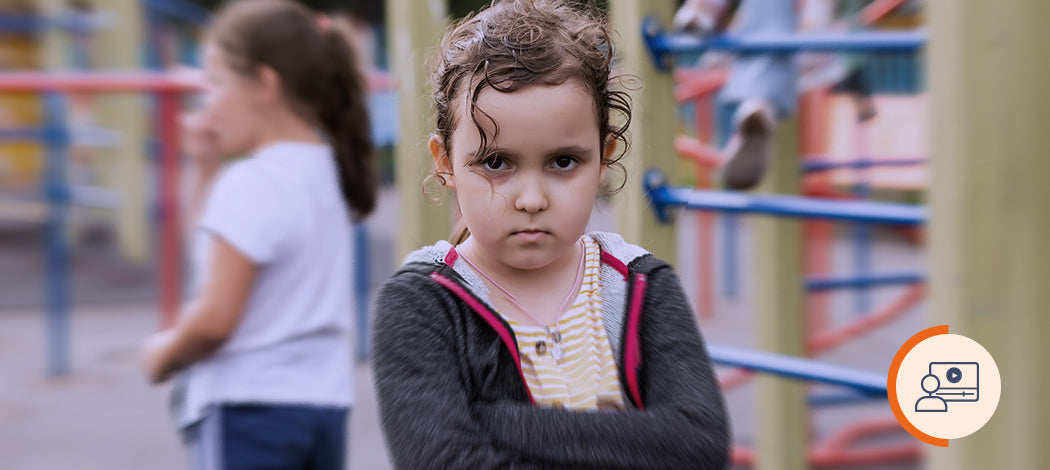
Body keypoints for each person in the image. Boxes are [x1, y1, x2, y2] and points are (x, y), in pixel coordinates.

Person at [371, 1, 729, 468]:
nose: (532, 199)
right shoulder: (423, 303)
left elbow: (698, 444)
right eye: (497, 163)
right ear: (445, 162)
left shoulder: (638, 284)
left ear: (604, 157)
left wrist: (499, 421)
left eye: (563, 161)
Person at [140, 0, 377, 468]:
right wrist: (205, 168)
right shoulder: (325, 170)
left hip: (247, 407)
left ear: (265, 85)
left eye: (218, 83)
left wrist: (163, 354)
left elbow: (214, 318)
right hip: (323, 406)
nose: (208, 101)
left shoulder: (252, 181)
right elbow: (213, 257)